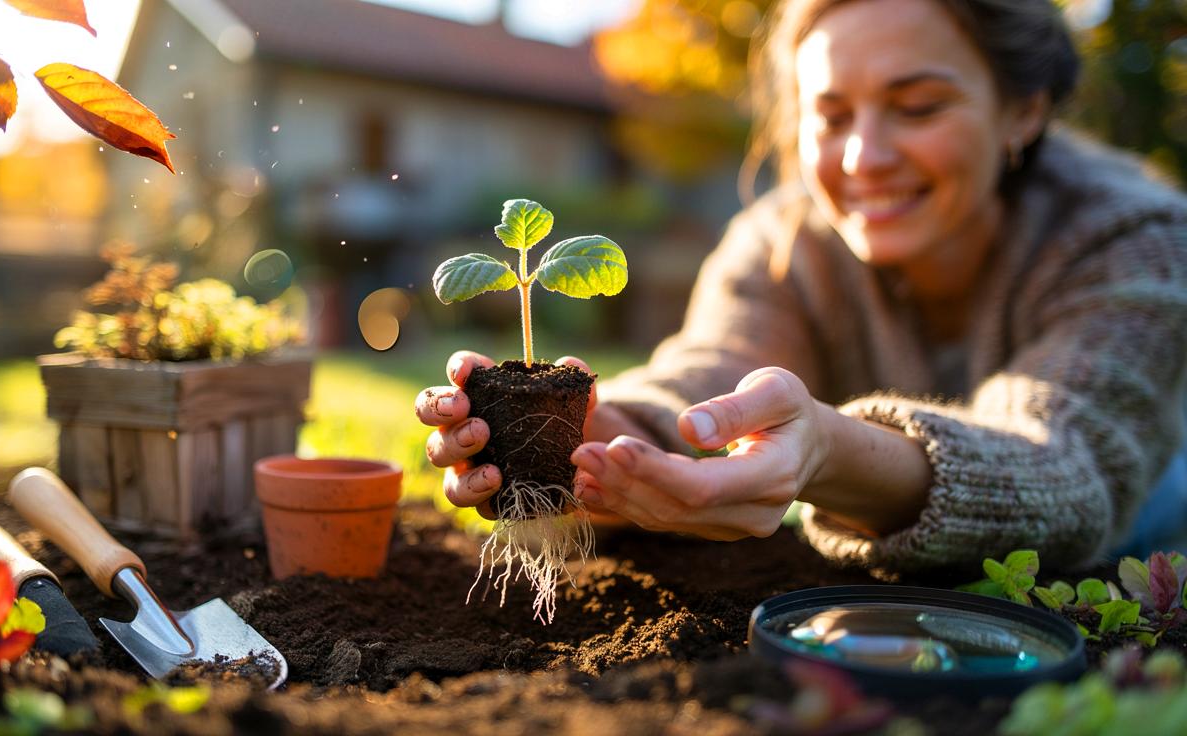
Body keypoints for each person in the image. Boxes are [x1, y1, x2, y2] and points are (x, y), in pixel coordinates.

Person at [415, 0, 1187, 577]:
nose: (863, 158)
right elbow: (714, 370)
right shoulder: (782, 241)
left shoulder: (1135, 237)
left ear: (1024, 111)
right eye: (832, 116)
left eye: (919, 107)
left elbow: (1069, 468)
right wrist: (604, 435)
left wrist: (830, 454)